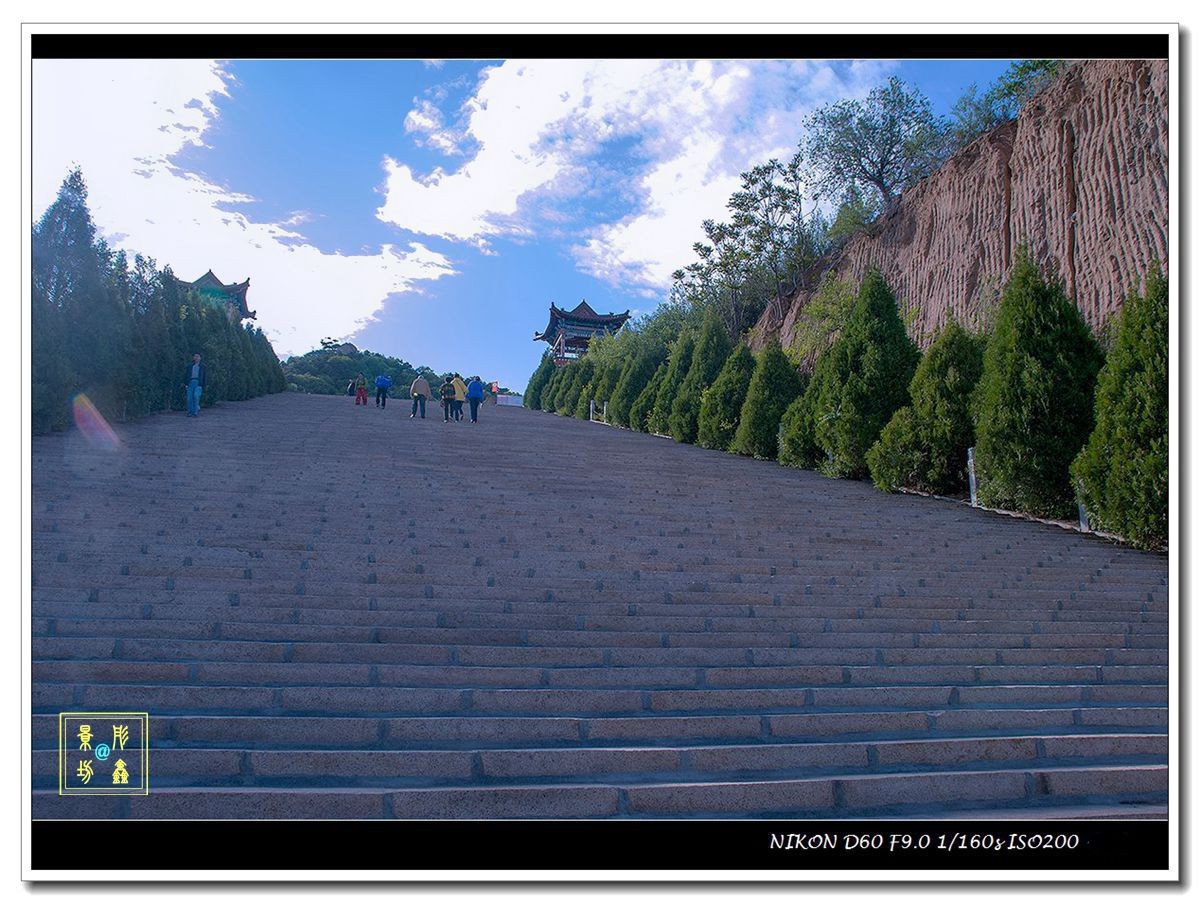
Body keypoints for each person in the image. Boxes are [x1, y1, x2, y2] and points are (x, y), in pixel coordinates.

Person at [183, 352, 207, 418]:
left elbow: (205, 376)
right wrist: (186, 384)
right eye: (195, 356)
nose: (196, 358)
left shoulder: (203, 366)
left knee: (196, 396)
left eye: (197, 356)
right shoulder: (189, 366)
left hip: (198, 383)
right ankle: (190, 412)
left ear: (200, 358)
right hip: (190, 382)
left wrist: (204, 385)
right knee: (189, 398)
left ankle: (195, 412)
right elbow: (186, 375)